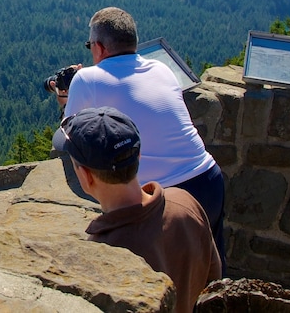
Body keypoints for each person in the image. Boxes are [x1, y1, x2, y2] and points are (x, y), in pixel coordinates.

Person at [51, 6, 227, 272]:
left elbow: (71, 137)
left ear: (98, 47)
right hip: (208, 179)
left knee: (160, 285)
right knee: (208, 274)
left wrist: (65, 99)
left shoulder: (87, 79)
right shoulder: (162, 69)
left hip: (158, 199)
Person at [55, 106, 221, 312]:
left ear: (86, 177)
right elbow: (214, 278)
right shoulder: (184, 203)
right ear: (139, 156)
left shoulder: (103, 251)